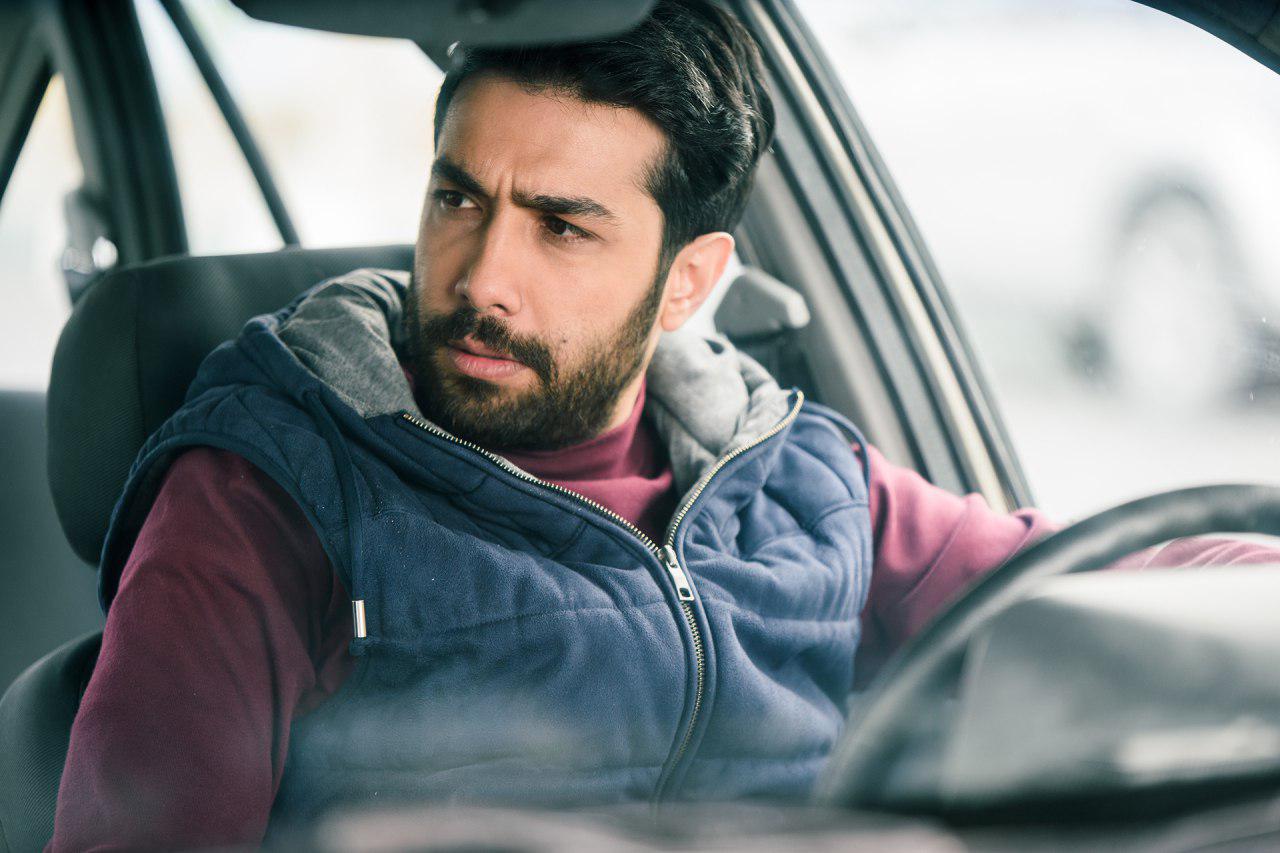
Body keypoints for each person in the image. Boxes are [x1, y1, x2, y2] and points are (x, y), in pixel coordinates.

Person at [48, 1, 1278, 849]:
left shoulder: (803, 481)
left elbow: (1094, 585)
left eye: (561, 227)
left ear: (686, 282)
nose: (481, 276)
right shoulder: (267, 493)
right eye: (458, 199)